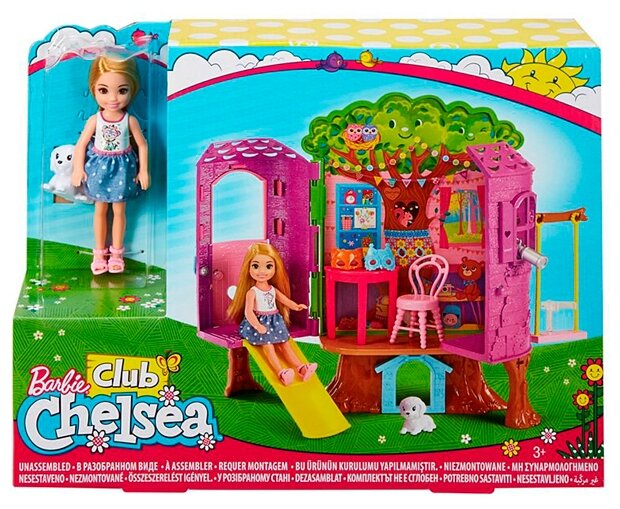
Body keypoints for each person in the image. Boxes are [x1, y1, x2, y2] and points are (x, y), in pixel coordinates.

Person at [72, 56, 149, 274]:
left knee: (119, 210)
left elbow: (142, 145)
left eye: (122, 90)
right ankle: (99, 254)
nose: (113, 98)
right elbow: (81, 144)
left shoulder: (129, 120)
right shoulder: (95, 120)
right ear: (94, 89)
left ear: (132, 90)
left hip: (123, 169)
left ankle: (116, 254)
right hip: (98, 167)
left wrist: (144, 171)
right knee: (100, 209)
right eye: (104, 90)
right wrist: (78, 168)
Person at [227, 243, 317, 386]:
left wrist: (296, 306)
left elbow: (284, 300)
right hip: (258, 323)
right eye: (256, 266)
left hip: (274, 321)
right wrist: (257, 325)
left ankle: (301, 368)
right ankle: (281, 372)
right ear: (248, 268)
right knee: (268, 346)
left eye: (268, 266)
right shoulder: (252, 292)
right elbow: (248, 312)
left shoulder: (272, 289)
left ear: (275, 268)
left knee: (285, 344)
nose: (262, 271)